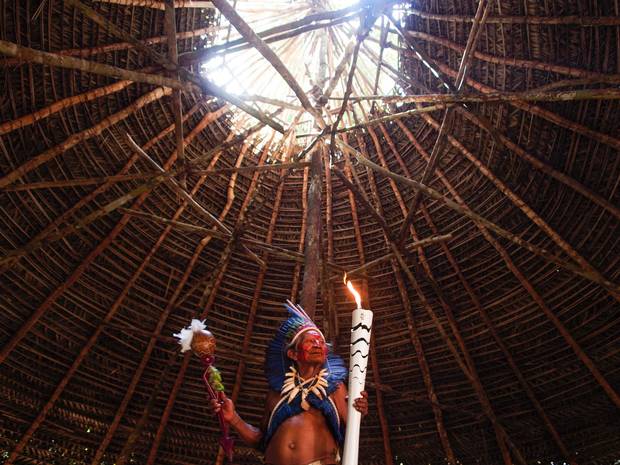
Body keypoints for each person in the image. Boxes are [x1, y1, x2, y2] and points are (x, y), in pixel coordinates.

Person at [211, 302, 368, 465]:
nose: (317, 345)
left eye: (321, 342)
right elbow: (261, 441)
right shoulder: (276, 393)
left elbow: (352, 429)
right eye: (311, 341)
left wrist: (359, 410)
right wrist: (233, 418)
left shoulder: (335, 387)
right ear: (292, 353)